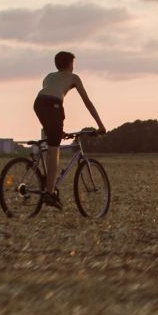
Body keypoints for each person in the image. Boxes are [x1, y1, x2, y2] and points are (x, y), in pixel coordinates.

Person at [33, 51, 106, 210]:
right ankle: (50, 192)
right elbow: (88, 103)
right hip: (54, 104)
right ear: (69, 65)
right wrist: (101, 125)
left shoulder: (48, 77)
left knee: (53, 141)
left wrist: (58, 131)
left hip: (38, 103)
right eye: (73, 64)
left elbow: (48, 96)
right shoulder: (73, 78)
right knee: (54, 149)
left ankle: (47, 183)